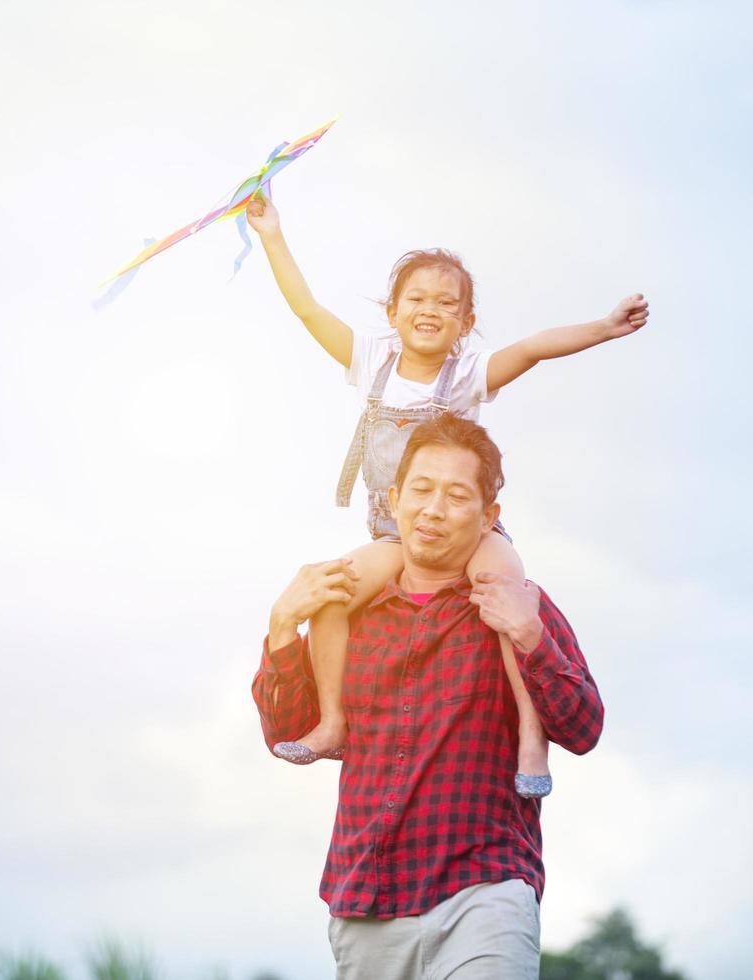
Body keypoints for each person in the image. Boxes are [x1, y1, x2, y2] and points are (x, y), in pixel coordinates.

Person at [245, 192, 643, 798]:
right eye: (417, 299)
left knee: (508, 594)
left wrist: (604, 329)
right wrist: (272, 234)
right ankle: (332, 721)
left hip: (470, 534)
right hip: (393, 532)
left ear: (464, 321)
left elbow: (534, 347)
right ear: (394, 310)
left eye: (447, 304)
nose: (430, 310)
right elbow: (304, 307)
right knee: (332, 592)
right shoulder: (370, 359)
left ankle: (531, 739)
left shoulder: (470, 372)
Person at [252, 414, 603, 978]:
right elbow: (286, 732)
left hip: (484, 891)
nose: (434, 509)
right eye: (421, 489)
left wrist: (531, 636)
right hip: (367, 901)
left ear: (489, 517)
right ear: (393, 499)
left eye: (456, 495)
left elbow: (584, 728)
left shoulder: (516, 603)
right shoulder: (347, 618)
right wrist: (280, 626)